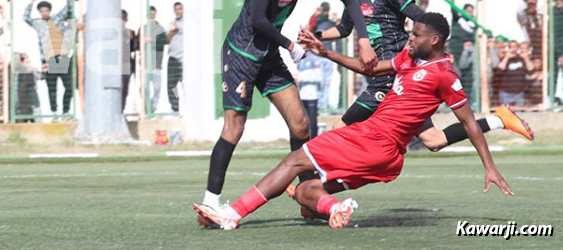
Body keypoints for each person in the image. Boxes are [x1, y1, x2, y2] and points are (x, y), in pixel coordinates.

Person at [198, 13, 513, 230]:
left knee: (295, 160)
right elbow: (370, 69)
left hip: (373, 141)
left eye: (416, 34)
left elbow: (469, 123)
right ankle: (334, 207)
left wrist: (490, 167)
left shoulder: (445, 75)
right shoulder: (410, 58)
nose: (410, 37)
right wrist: (326, 53)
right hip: (383, 156)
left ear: (435, 40)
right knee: (306, 189)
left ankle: (231, 213)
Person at [194, 0, 378, 225]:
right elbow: (258, 20)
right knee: (234, 127)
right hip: (241, 53)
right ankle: (210, 203)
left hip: (268, 55)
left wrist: (363, 40)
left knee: (301, 126)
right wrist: (291, 46)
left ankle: (310, 198)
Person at [303, 0, 531, 156]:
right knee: (434, 140)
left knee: (339, 128)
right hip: (384, 73)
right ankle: (498, 120)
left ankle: (313, 176)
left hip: (390, 76)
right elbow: (344, 28)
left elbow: (423, 19)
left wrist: (410, 49)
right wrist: (317, 36)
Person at [24, 0, 75, 116]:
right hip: (48, 58)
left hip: (62, 56)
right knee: (52, 88)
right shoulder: (38, 23)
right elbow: (26, 18)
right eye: (42, 11)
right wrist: (32, 1)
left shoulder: (58, 18)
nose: (44, 13)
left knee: (68, 86)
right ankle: (54, 113)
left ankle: (65, 112)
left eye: (46, 11)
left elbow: (70, 5)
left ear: (50, 11)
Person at [163, 2, 185, 113]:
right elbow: (167, 40)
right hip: (173, 58)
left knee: (187, 84)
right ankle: (175, 106)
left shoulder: (188, 22)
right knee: (172, 85)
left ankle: (189, 107)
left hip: (186, 59)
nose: (178, 11)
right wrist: (173, 31)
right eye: (176, 9)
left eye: (180, 9)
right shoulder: (171, 24)